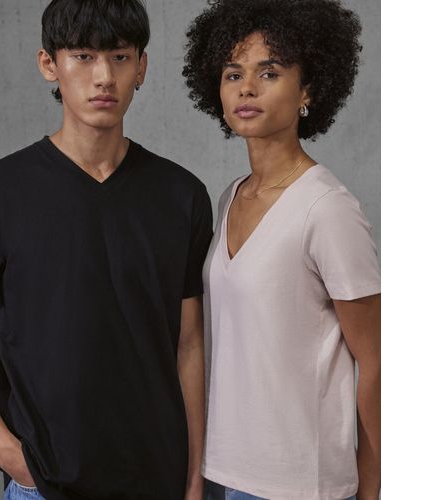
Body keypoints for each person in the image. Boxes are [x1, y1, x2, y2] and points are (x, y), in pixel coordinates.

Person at [0, 1, 212, 499]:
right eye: (84, 56)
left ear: (142, 67)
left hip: (158, 480)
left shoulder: (181, 195)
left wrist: (194, 476)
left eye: (120, 57)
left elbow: (190, 344)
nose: (104, 77)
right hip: (44, 484)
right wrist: (5, 450)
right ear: (49, 64)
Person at [183, 0, 380, 499]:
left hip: (300, 483)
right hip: (224, 472)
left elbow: (379, 363)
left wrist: (373, 488)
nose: (246, 87)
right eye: (233, 74)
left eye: (268, 72)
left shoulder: (326, 208)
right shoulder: (230, 197)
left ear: (307, 89)